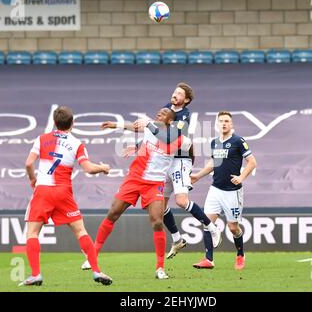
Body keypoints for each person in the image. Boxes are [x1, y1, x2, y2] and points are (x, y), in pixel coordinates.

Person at [96, 83, 221, 262]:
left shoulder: (185, 116)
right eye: (175, 91)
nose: (175, 95)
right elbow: (150, 129)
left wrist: (190, 167)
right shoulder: (167, 108)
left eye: (179, 93)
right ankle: (177, 239)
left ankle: (211, 226)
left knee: (181, 200)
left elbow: (168, 137)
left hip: (180, 159)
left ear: (186, 100)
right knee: (159, 206)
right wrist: (119, 126)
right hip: (167, 160)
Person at [90, 107, 191, 280]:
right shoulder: (150, 129)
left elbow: (166, 140)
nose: (159, 113)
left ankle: (160, 268)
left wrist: (188, 169)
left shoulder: (177, 137)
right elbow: (136, 127)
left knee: (157, 222)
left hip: (155, 184)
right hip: (134, 178)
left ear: (170, 121)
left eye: (164, 113)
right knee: (113, 213)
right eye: (158, 111)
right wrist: (116, 125)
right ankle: (91, 257)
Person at [21, 106, 113, 286]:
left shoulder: (42, 139)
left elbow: (28, 163)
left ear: (54, 123)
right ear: (73, 123)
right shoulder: (77, 144)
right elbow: (88, 168)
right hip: (63, 192)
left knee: (32, 233)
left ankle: (36, 274)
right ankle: (96, 271)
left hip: (43, 190)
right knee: (80, 231)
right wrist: (103, 168)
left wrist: (33, 179)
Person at [190, 111, 257, 270]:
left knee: (233, 228)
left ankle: (240, 254)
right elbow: (214, 163)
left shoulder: (238, 141)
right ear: (217, 124)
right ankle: (209, 259)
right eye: (221, 121)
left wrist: (241, 177)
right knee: (207, 223)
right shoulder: (214, 142)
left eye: (227, 121)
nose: (224, 123)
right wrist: (197, 176)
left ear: (231, 124)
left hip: (232, 192)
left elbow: (252, 162)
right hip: (215, 189)